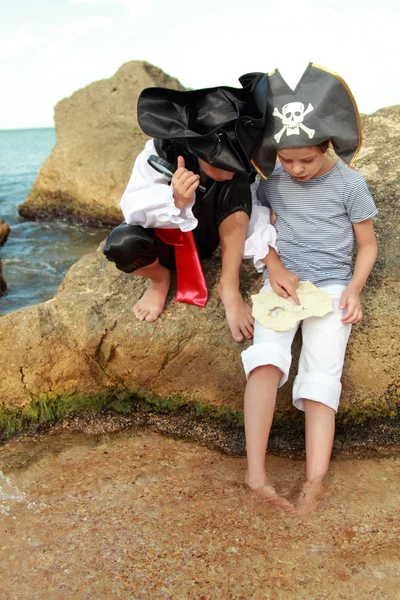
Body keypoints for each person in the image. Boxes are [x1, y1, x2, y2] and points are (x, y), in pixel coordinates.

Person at [241, 64, 378, 512]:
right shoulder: (272, 183)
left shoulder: (350, 184)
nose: (296, 169)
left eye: (307, 160)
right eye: (286, 160)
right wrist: (275, 266)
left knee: (321, 371)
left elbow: (367, 245)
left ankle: (314, 479)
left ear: (328, 147)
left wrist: (354, 289)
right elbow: (257, 230)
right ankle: (256, 474)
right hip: (283, 282)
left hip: (334, 283)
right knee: (266, 359)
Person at [103, 75, 275, 343]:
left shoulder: (235, 174)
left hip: (204, 238)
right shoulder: (159, 152)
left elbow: (250, 209)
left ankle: (228, 287)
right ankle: (159, 280)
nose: (229, 173)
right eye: (223, 165)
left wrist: (269, 258)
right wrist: (175, 200)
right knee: (121, 244)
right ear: (199, 149)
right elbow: (131, 210)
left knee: (239, 185)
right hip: (160, 245)